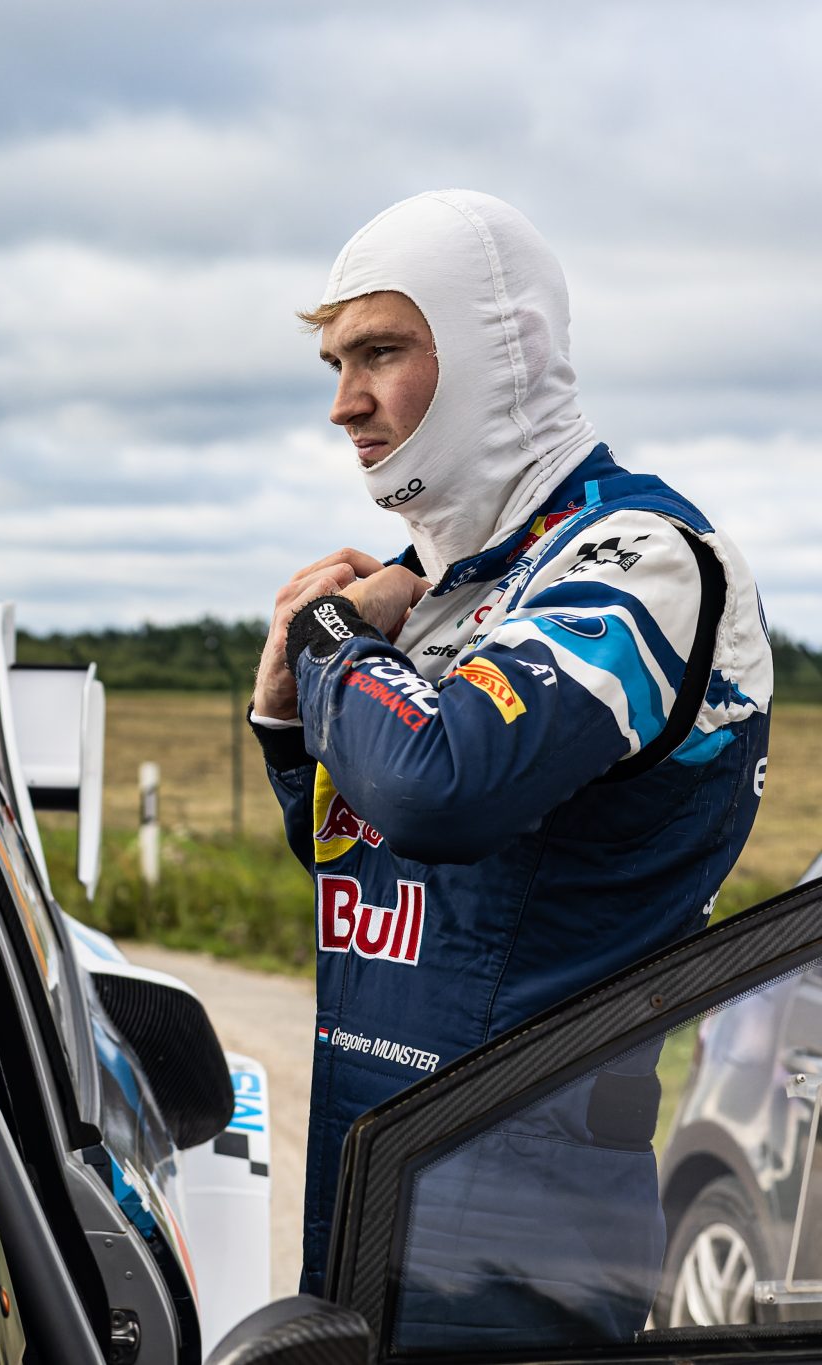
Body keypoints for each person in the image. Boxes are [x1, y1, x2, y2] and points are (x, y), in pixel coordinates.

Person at [250, 190, 773, 1342]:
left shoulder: (639, 559)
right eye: (334, 364)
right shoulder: (439, 587)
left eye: (379, 353)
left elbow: (437, 791)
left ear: (506, 349)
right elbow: (371, 868)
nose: (343, 403)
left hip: (522, 1242)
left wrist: (328, 643)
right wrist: (284, 723)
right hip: (369, 1168)